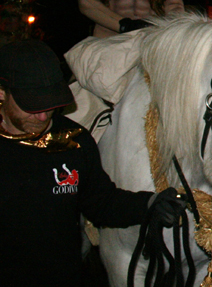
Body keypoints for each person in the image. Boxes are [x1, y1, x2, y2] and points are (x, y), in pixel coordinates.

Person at [0, 39, 185, 287]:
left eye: (51, 105)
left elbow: (101, 202)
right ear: (2, 92)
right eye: (32, 106)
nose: (43, 117)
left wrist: (149, 204)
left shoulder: (74, 142)